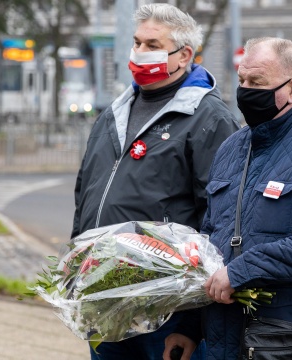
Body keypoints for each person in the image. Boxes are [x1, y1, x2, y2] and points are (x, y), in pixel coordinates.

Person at [164, 37, 292, 360]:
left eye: (256, 82)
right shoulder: (232, 148)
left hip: (290, 345)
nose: (244, 90)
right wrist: (189, 325)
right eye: (242, 80)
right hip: (223, 345)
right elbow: (212, 243)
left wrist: (243, 271)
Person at [72, 3, 239, 359]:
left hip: (167, 310)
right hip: (105, 299)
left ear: (184, 56)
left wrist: (191, 322)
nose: (139, 52)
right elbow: (86, 193)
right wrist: (77, 267)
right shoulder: (113, 114)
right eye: (137, 43)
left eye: (152, 45)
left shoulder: (208, 118)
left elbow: (222, 216)